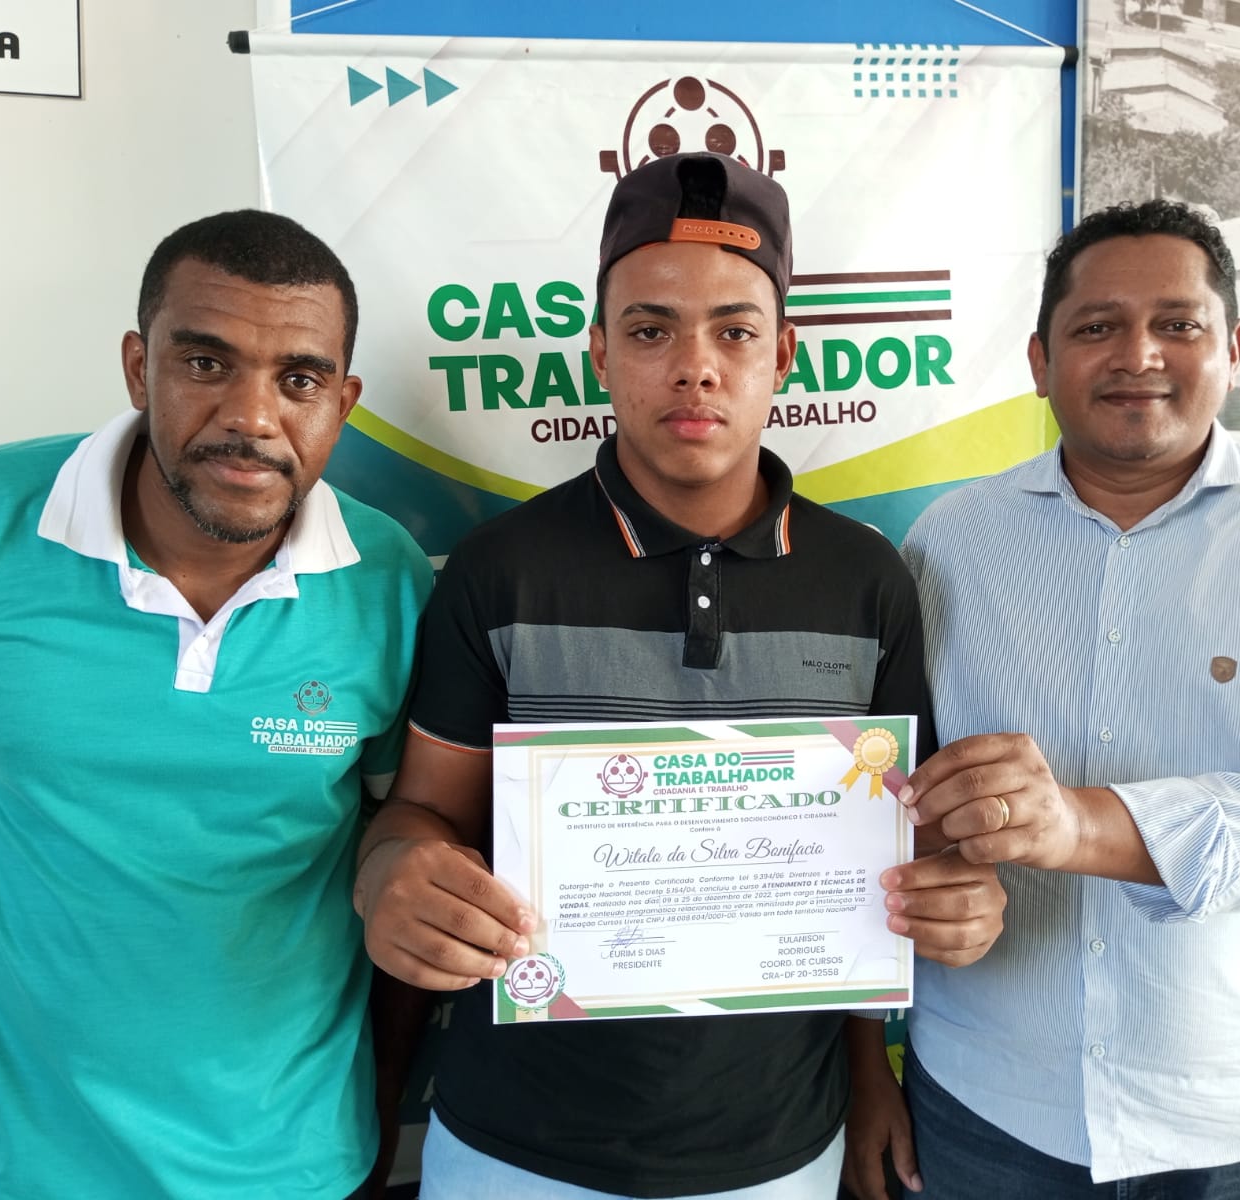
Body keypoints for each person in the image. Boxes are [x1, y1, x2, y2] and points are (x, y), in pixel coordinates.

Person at [352, 151, 1007, 1200]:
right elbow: (422, 814)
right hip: (512, 1147)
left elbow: (872, 866)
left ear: (783, 354)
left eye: (734, 332)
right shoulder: (499, 570)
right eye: (651, 331)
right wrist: (393, 872)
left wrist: (878, 1057)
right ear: (600, 353)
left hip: (781, 1148)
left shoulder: (866, 581)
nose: (694, 368)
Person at [0, 210, 432, 1199]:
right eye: (205, 363)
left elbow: (399, 835)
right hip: (30, 1166)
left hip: (302, 1165)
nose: (251, 416)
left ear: (343, 401)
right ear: (137, 367)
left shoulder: (389, 582)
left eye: (299, 379)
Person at [896, 199, 1240, 1198]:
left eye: (1177, 323)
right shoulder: (949, 540)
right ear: (1040, 362)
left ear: (1232, 348)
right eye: (1096, 326)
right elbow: (891, 791)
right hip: (985, 1103)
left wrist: (1078, 826)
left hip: (1239, 1124)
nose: (1138, 354)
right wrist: (930, 863)